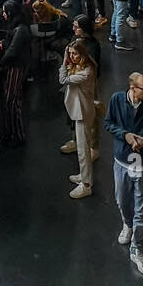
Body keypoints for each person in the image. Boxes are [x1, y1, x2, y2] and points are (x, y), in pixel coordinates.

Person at [104, 71, 143, 275]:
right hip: (122, 161)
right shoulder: (116, 100)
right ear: (132, 88)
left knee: (141, 207)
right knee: (122, 199)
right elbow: (108, 123)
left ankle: (136, 248)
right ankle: (127, 224)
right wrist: (125, 136)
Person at [59, 38, 97, 199]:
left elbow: (63, 80)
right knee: (83, 148)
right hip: (80, 110)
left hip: (82, 112)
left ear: (82, 54)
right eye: (70, 54)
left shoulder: (85, 72)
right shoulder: (84, 66)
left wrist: (63, 62)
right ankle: (84, 175)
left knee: (82, 150)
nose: (72, 57)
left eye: (74, 54)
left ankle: (86, 185)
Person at [0, 1, 30, 147]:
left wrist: (0, 65)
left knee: (12, 102)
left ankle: (18, 136)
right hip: (15, 66)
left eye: (5, 12)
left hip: (16, 67)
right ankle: (12, 133)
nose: (3, 14)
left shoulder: (20, 30)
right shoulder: (19, 27)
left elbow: (13, 50)